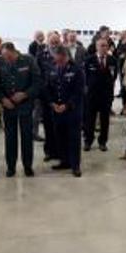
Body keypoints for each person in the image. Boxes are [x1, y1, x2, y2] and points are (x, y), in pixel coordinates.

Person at [0, 42, 43, 177]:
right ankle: (11, 166)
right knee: (10, 138)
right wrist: (3, 99)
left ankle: (28, 166)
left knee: (27, 136)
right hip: (8, 105)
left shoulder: (28, 60)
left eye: (9, 57)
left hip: (25, 105)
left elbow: (37, 81)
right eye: (4, 57)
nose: (7, 60)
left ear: (14, 51)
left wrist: (25, 94)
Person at [43, 45, 84, 176]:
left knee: (74, 138)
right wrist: (52, 103)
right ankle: (64, 161)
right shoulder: (51, 69)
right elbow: (47, 88)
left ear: (66, 57)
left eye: (61, 60)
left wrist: (66, 105)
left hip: (72, 111)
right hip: (56, 110)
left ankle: (75, 165)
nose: (59, 63)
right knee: (60, 137)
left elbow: (78, 92)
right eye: (57, 60)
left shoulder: (76, 70)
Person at [83, 37, 117, 152]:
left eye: (105, 46)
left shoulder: (113, 60)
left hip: (106, 95)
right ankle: (88, 140)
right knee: (90, 119)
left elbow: (114, 76)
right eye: (101, 45)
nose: (103, 48)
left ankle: (102, 141)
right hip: (92, 95)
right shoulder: (89, 60)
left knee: (104, 120)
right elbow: (85, 77)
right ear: (96, 47)